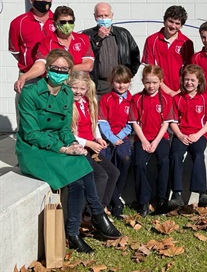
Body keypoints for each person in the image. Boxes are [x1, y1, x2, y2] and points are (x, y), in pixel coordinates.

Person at [15, 49, 121, 254]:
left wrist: (73, 144)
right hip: (33, 149)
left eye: (65, 69)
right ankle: (93, 219)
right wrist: (63, 148)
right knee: (78, 172)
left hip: (56, 143)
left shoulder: (65, 93)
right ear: (46, 70)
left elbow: (64, 128)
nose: (60, 72)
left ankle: (75, 231)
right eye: (56, 68)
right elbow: (31, 133)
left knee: (82, 165)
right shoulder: (30, 92)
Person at [67, 71, 123, 216]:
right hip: (78, 148)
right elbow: (68, 133)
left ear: (87, 89)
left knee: (113, 172)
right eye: (74, 88)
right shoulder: (68, 105)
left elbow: (94, 123)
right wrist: (88, 143)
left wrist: (98, 138)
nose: (78, 92)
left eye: (82, 88)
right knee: (100, 176)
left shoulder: (88, 102)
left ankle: (100, 208)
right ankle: (90, 214)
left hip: (91, 147)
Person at [14, 6, 94, 93]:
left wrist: (60, 71)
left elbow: (88, 66)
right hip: (56, 88)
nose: (67, 25)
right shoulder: (46, 42)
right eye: (63, 22)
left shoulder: (83, 39)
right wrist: (24, 77)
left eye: (70, 22)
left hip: (79, 89)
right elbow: (41, 66)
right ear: (55, 23)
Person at [169, 65, 207, 210]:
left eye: (193, 80)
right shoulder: (177, 99)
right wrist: (180, 135)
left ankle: (202, 192)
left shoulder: (205, 99)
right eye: (186, 80)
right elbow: (172, 121)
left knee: (198, 154)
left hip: (198, 134)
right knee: (175, 155)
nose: (189, 83)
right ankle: (177, 194)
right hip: (181, 133)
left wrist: (197, 135)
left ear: (199, 82)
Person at [129, 65, 174, 217]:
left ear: (161, 82)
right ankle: (143, 201)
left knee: (164, 161)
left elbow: (166, 123)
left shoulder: (166, 99)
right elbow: (134, 122)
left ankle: (162, 200)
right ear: (142, 81)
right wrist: (143, 141)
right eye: (148, 82)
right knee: (139, 163)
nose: (151, 86)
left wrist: (155, 142)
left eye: (154, 82)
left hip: (160, 138)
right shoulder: (137, 98)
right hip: (142, 138)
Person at [98, 65, 134, 218]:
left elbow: (131, 123)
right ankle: (115, 201)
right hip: (107, 138)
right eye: (118, 82)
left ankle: (116, 195)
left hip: (123, 138)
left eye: (125, 82)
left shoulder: (132, 100)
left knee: (125, 159)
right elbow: (102, 121)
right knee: (105, 161)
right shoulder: (106, 99)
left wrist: (119, 136)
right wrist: (111, 137)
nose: (121, 85)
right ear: (112, 82)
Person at [83, 2, 140, 96]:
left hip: (119, 83)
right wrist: (98, 38)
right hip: (99, 85)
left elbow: (135, 56)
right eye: (100, 16)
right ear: (95, 17)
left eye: (106, 15)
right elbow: (86, 56)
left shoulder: (123, 34)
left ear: (112, 15)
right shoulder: (87, 35)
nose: (104, 19)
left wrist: (127, 76)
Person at [142, 5, 194, 96]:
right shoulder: (151, 40)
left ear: (181, 25)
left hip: (180, 92)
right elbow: (149, 71)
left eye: (177, 23)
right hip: (157, 92)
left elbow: (189, 71)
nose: (173, 26)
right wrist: (168, 91)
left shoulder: (187, 43)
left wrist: (179, 91)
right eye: (170, 21)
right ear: (164, 20)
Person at [9, 0, 55, 77]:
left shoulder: (59, 21)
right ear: (31, 0)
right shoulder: (18, 22)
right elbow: (15, 51)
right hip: (28, 75)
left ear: (51, 0)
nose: (43, 2)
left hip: (55, 75)